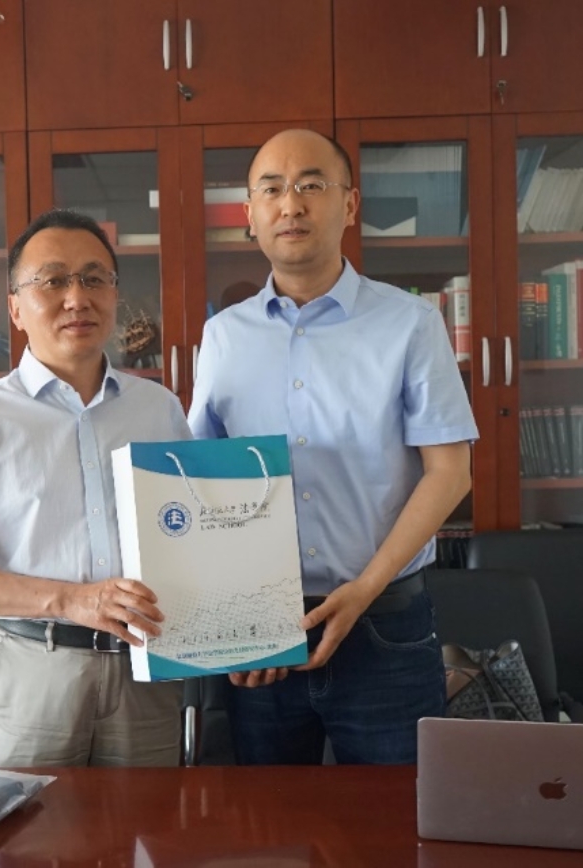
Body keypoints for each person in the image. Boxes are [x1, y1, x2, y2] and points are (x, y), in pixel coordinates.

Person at [188, 129, 478, 765]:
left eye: (311, 185)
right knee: (270, 819)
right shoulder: (223, 337)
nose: (291, 204)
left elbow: (450, 472)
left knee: (396, 815)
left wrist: (365, 588)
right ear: (250, 214)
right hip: (266, 630)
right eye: (272, 189)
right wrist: (233, 621)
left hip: (385, 624)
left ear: (349, 205)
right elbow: (203, 483)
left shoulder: (410, 323)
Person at [0, 208, 190, 768]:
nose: (77, 298)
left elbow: (189, 534)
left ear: (114, 295)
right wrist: (72, 601)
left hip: (146, 668)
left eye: (94, 279)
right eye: (53, 281)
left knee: (148, 822)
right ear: (16, 308)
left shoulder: (159, 409)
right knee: (23, 824)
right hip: (32, 666)